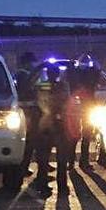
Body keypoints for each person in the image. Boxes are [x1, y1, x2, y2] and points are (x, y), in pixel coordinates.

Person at [34, 64, 74, 197]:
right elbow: (66, 102)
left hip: (45, 124)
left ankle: (42, 184)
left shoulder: (43, 85)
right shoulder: (63, 86)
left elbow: (40, 100)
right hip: (59, 124)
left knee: (44, 158)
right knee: (61, 158)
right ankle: (61, 187)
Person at [70, 54, 102, 170]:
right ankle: (82, 162)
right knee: (85, 135)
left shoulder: (74, 74)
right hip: (87, 107)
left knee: (75, 135)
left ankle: (71, 162)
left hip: (77, 108)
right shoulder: (91, 74)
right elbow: (99, 75)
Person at [15, 52, 42, 177]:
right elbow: (28, 89)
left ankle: (26, 166)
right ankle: (22, 167)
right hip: (27, 112)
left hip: (31, 111)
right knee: (28, 142)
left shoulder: (28, 75)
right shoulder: (22, 74)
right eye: (32, 62)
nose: (33, 64)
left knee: (33, 142)